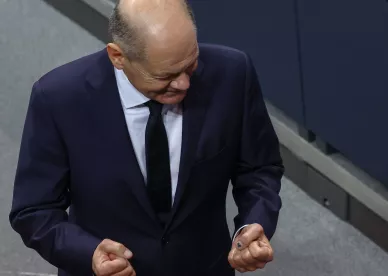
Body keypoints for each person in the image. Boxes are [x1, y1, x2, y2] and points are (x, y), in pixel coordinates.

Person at [9, 0, 283, 275]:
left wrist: (253, 223)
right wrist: (88, 253)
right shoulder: (59, 100)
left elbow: (259, 169)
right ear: (118, 56)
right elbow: (34, 210)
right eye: (166, 75)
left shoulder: (233, 74)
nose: (184, 84)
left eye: (191, 64)